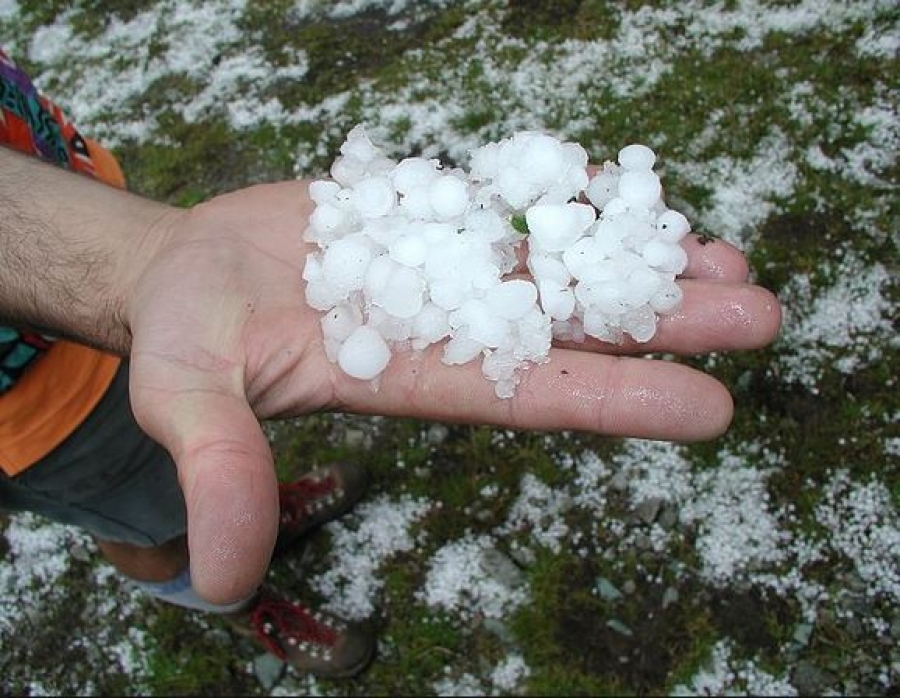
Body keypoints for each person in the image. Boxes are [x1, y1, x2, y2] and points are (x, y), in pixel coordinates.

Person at [0, 47, 781, 680]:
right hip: (32, 413)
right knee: (151, 519)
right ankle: (238, 610)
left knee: (196, 486)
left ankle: (271, 514)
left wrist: (134, 256)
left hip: (70, 226)